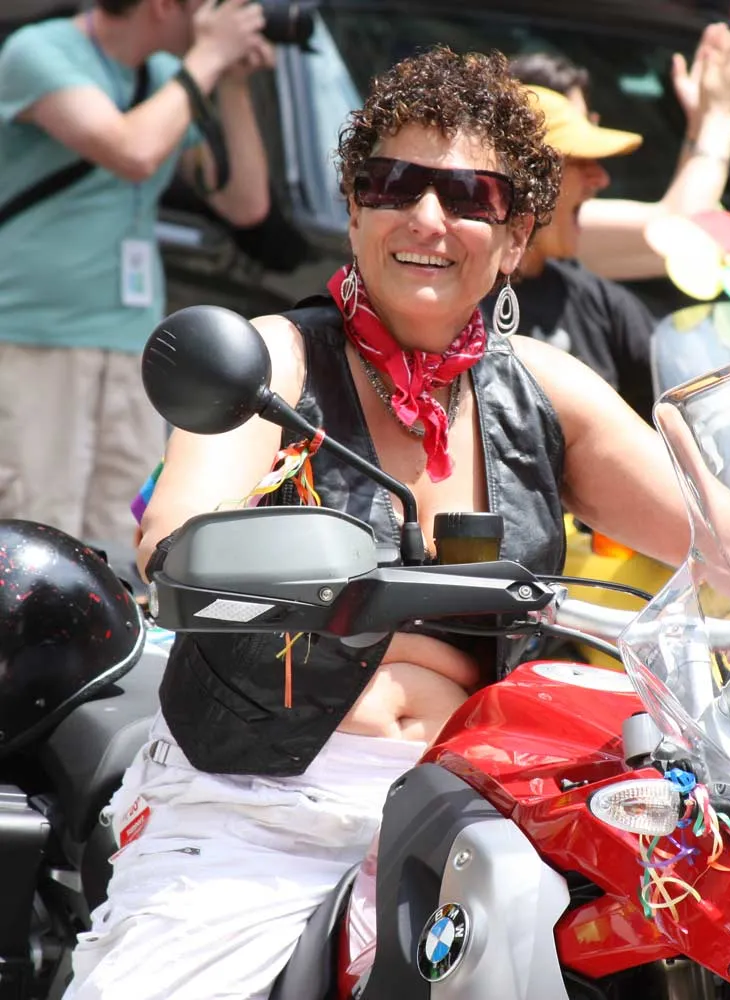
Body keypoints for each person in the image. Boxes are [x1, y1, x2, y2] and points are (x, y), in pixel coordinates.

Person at [66, 46, 692, 1000]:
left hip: (480, 804)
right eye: (394, 184)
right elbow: (177, 535)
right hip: (260, 806)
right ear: (354, 209)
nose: (427, 218)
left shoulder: (545, 391)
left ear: (515, 235)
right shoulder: (274, 364)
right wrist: (270, 558)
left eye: (469, 195)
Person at [0, 0, 273, 551]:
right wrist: (209, 56)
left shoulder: (169, 76)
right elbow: (133, 151)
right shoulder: (39, 52)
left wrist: (233, 84)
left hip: (134, 344)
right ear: (163, 5)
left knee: (128, 541)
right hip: (37, 338)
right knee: (37, 535)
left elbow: (245, 203)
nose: (220, 13)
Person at [509, 18, 730, 281]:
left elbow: (672, 242)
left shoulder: (575, 280)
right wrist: (720, 116)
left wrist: (700, 126)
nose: (600, 176)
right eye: (576, 152)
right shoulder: (530, 225)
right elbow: (682, 231)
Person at [485, 86, 657, 423]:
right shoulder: (451, 309)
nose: (601, 178)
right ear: (525, 181)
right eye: (579, 161)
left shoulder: (600, 303)